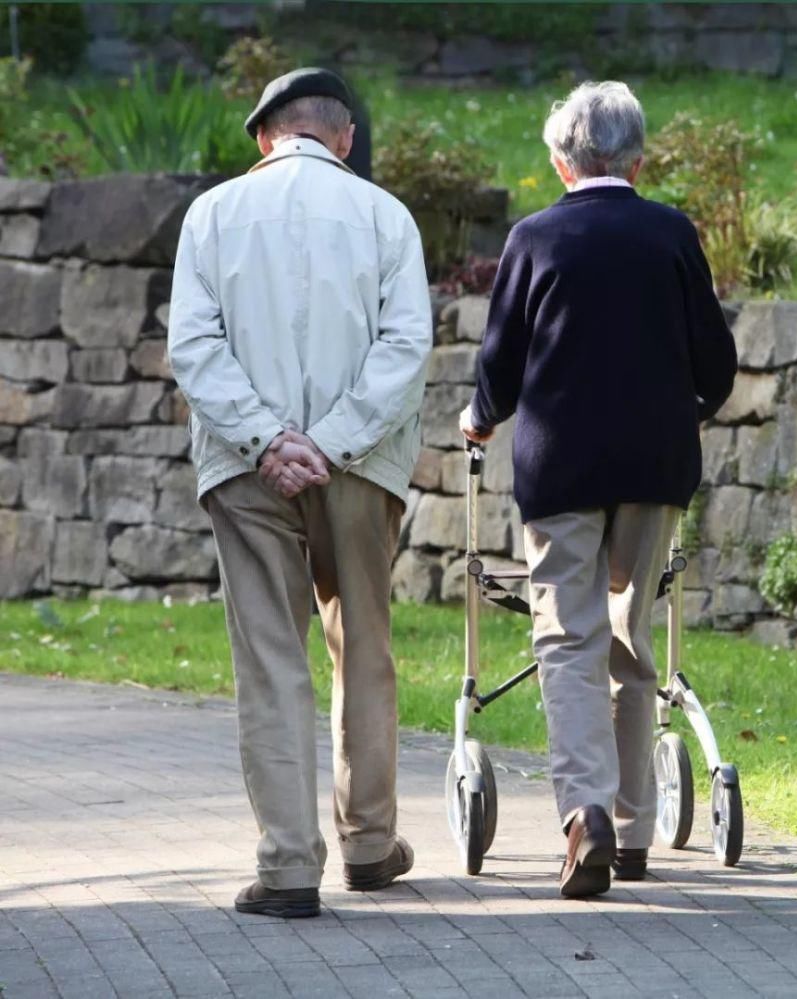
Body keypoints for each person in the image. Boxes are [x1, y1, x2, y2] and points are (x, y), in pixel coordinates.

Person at [460, 81, 737, 899]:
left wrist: (479, 420)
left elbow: (502, 366)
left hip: (562, 469)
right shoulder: (672, 234)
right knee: (630, 632)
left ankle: (586, 816)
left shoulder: (535, 237)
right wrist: (688, 410)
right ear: (638, 160)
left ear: (559, 164)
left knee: (567, 639)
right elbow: (715, 364)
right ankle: (637, 826)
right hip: (655, 466)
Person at [168, 68, 432, 918]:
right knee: (363, 642)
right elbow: (404, 347)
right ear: (344, 137)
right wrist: (331, 440)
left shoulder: (211, 214)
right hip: (358, 465)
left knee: (271, 658)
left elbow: (195, 346)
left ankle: (287, 867)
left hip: (248, 471)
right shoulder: (387, 216)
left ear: (263, 138)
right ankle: (366, 842)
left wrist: (266, 439)